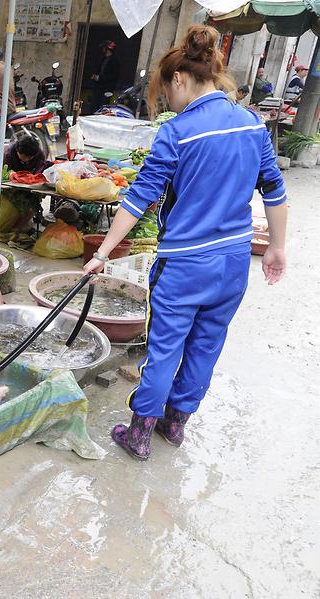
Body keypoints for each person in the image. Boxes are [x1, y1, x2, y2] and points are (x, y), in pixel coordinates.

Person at [83, 25, 287, 461]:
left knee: (163, 348)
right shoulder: (253, 124)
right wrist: (276, 248)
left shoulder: (178, 132)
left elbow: (139, 198)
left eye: (167, 91)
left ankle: (139, 434)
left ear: (179, 79)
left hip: (183, 266)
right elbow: (274, 190)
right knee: (206, 345)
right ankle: (175, 426)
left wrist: (101, 254)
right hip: (233, 263)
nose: (169, 101)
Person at [90, 40, 120, 109]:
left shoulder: (115, 61)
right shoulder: (103, 59)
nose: (103, 50)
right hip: (98, 88)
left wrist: (100, 78)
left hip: (107, 89)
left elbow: (113, 76)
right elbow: (99, 70)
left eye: (104, 48)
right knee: (94, 106)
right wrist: (94, 76)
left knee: (103, 107)